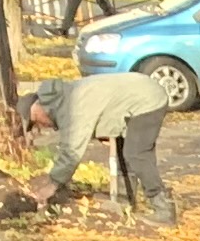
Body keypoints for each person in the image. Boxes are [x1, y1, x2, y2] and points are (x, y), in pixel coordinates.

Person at [21, 70, 174, 220]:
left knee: (136, 154)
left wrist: (52, 185)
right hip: (136, 97)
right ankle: (124, 200)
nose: (40, 126)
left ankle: (164, 208)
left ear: (39, 107)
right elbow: (99, 106)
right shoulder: (64, 98)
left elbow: (71, 152)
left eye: (35, 121)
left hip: (147, 99)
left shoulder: (73, 107)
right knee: (124, 152)